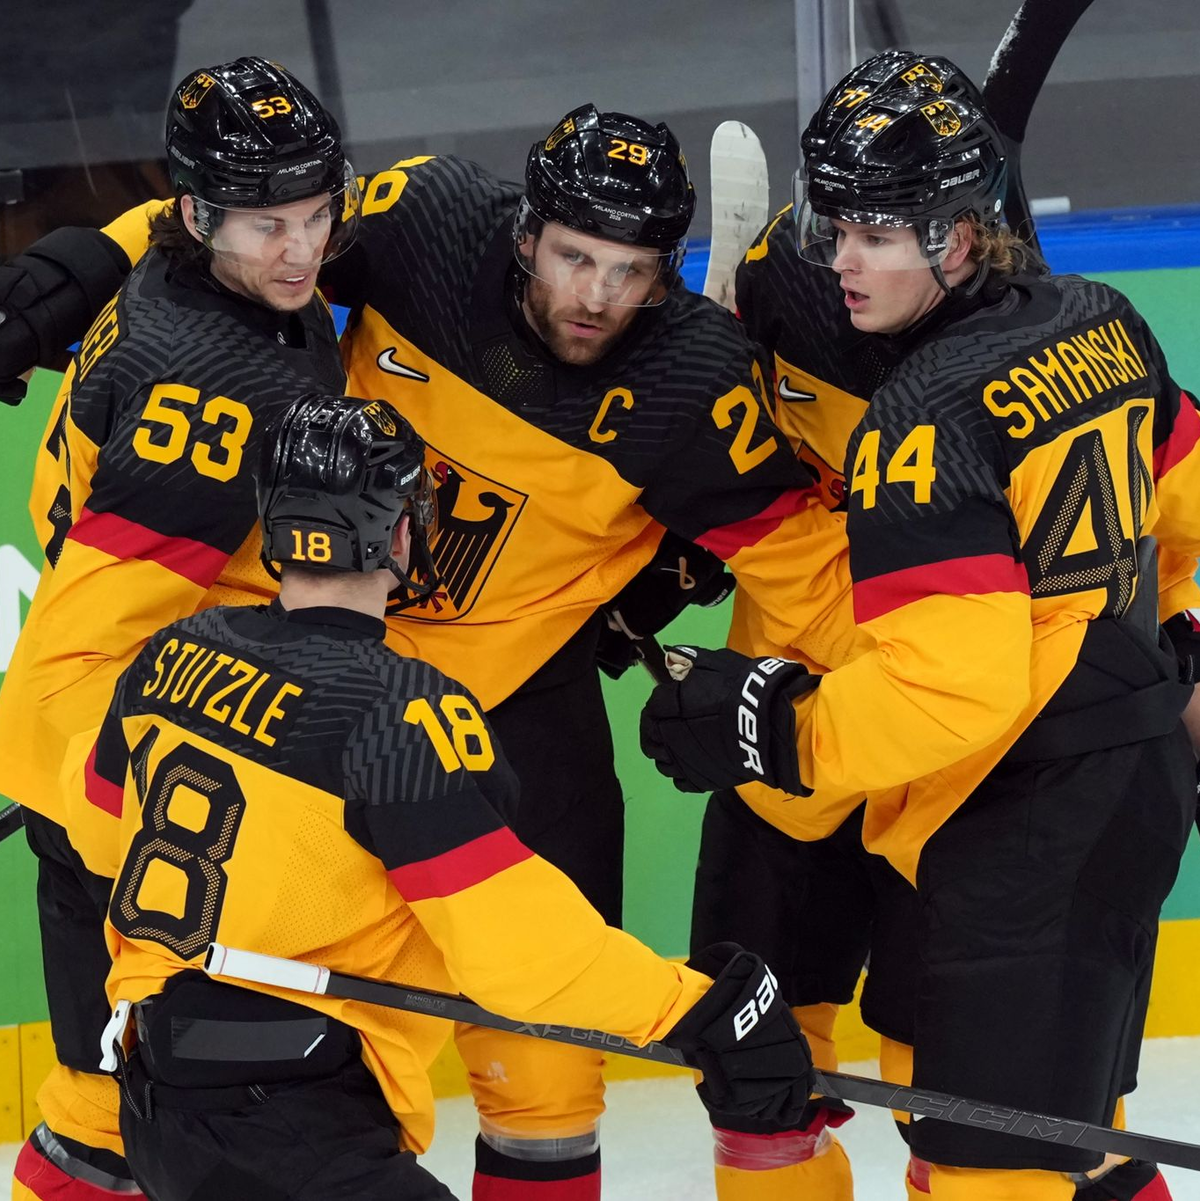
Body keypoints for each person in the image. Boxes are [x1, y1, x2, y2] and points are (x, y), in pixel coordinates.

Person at [1, 102, 860, 1199]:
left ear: (667, 269)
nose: (596, 295)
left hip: (501, 715)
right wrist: (94, 258)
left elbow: (811, 573)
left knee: (544, 1087)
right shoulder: (425, 223)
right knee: (98, 1101)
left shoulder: (695, 388)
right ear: (521, 235)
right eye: (573, 257)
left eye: (632, 270)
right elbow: (241, 213)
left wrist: (792, 701)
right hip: (313, 697)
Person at [641, 65, 1200, 1201]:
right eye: (832, 224)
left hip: (1019, 807)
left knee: (990, 1171)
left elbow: (951, 692)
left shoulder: (921, 421)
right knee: (1021, 1134)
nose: (841, 257)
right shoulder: (1103, 321)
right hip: (1097, 779)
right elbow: (1179, 504)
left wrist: (768, 730)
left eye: (876, 235)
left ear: (958, 236)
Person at [68, 391, 814, 1201]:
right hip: (299, 1128)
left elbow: (100, 829)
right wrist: (696, 1009)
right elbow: (520, 951)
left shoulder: (174, 653)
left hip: (154, 1106)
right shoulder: (401, 712)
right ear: (400, 531)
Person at [0, 57, 353, 1201]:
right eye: (268, 225)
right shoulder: (206, 389)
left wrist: (79, 253)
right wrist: (108, 814)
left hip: (109, 746)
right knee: (138, 1114)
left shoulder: (186, 252)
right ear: (205, 215)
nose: (300, 250)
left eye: (315, 213)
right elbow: (92, 640)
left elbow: (149, 214)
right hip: (112, 771)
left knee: (100, 1101)